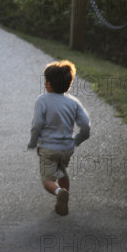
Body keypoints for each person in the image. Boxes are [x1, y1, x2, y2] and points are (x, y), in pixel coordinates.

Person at [27, 60, 90, 216]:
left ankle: (59, 193)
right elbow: (86, 127)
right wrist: (76, 141)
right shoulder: (73, 102)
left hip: (48, 148)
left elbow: (37, 124)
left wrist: (33, 141)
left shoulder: (42, 100)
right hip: (67, 148)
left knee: (48, 180)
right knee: (62, 171)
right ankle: (63, 198)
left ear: (49, 84)